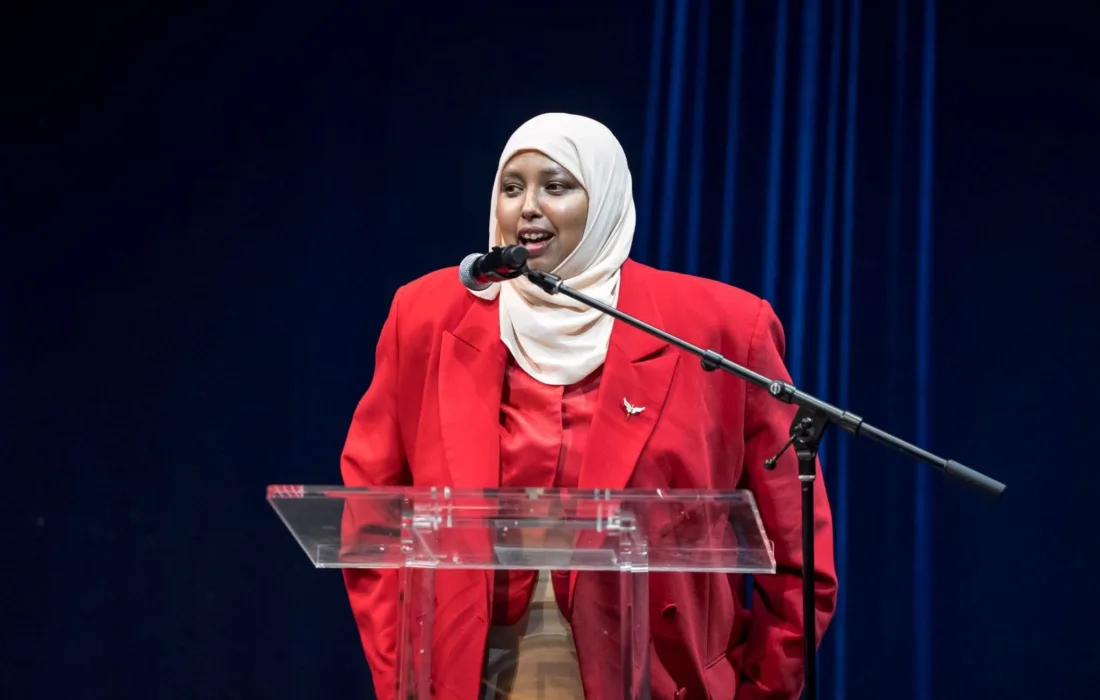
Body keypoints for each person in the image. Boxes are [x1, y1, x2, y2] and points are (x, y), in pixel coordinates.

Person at [340, 112, 837, 700]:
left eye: (556, 186)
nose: (527, 207)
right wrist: (404, 680)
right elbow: (369, 518)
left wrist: (761, 691)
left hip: (659, 677)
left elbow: (798, 554)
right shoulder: (425, 316)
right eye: (511, 186)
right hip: (465, 674)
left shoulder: (717, 330)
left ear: (602, 199)